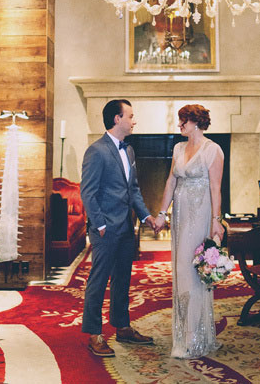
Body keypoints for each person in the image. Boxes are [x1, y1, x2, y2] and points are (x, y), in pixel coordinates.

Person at [80, 99, 156, 358]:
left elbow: (132, 189)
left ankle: (122, 327)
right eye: (131, 116)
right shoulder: (96, 151)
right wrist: (99, 224)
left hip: (126, 227)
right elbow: (87, 193)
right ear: (117, 119)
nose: (134, 121)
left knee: (123, 279)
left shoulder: (129, 151)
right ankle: (94, 335)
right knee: (98, 282)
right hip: (105, 229)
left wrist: (145, 217)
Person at [154, 104, 225, 359]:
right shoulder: (178, 148)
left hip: (201, 213)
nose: (179, 125)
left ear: (195, 122)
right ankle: (184, 334)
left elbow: (216, 188)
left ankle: (193, 338)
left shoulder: (213, 150)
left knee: (192, 272)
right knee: (180, 270)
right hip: (181, 216)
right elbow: (171, 181)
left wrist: (216, 221)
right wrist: (162, 213)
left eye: (182, 121)